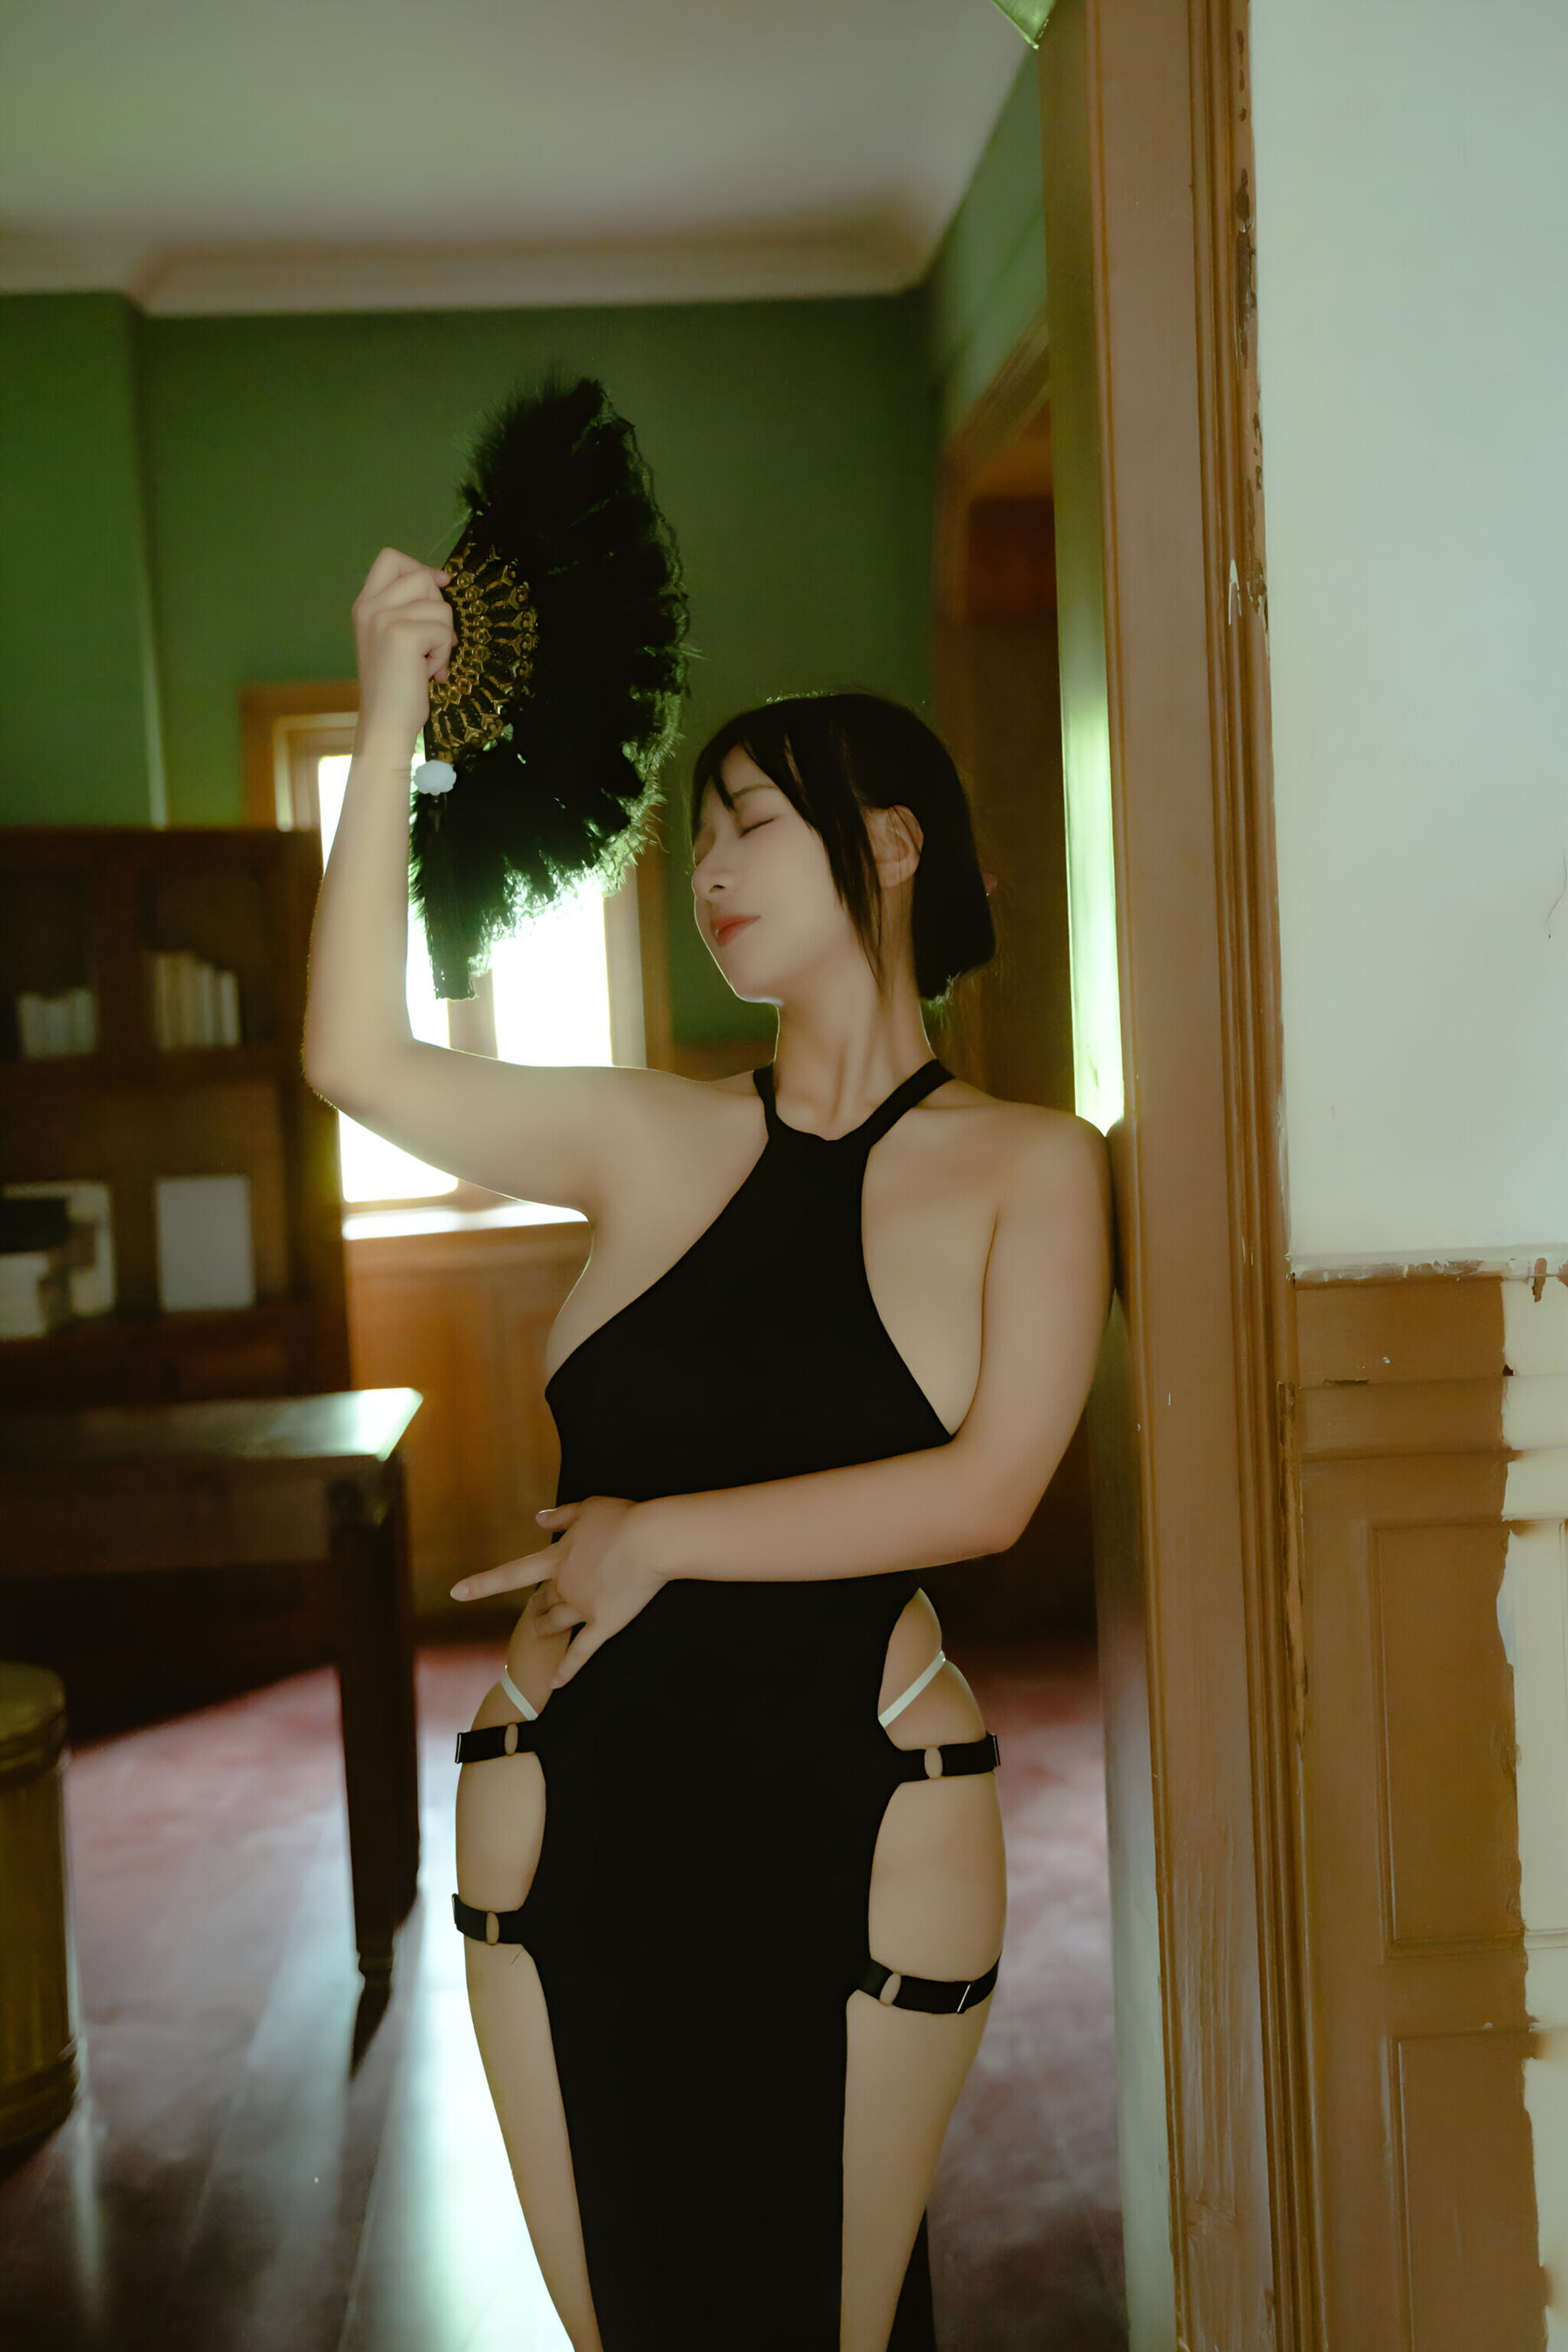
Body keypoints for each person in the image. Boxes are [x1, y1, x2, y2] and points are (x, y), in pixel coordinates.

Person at [304, 546, 1114, 2352]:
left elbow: (990, 1493)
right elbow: (354, 1060)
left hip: (860, 1806)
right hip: (573, 1809)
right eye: (698, 844)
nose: (712, 874)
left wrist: (656, 1534)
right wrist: (385, 711)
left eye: (752, 825)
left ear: (890, 846)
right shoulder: (649, 1137)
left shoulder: (1032, 1165)